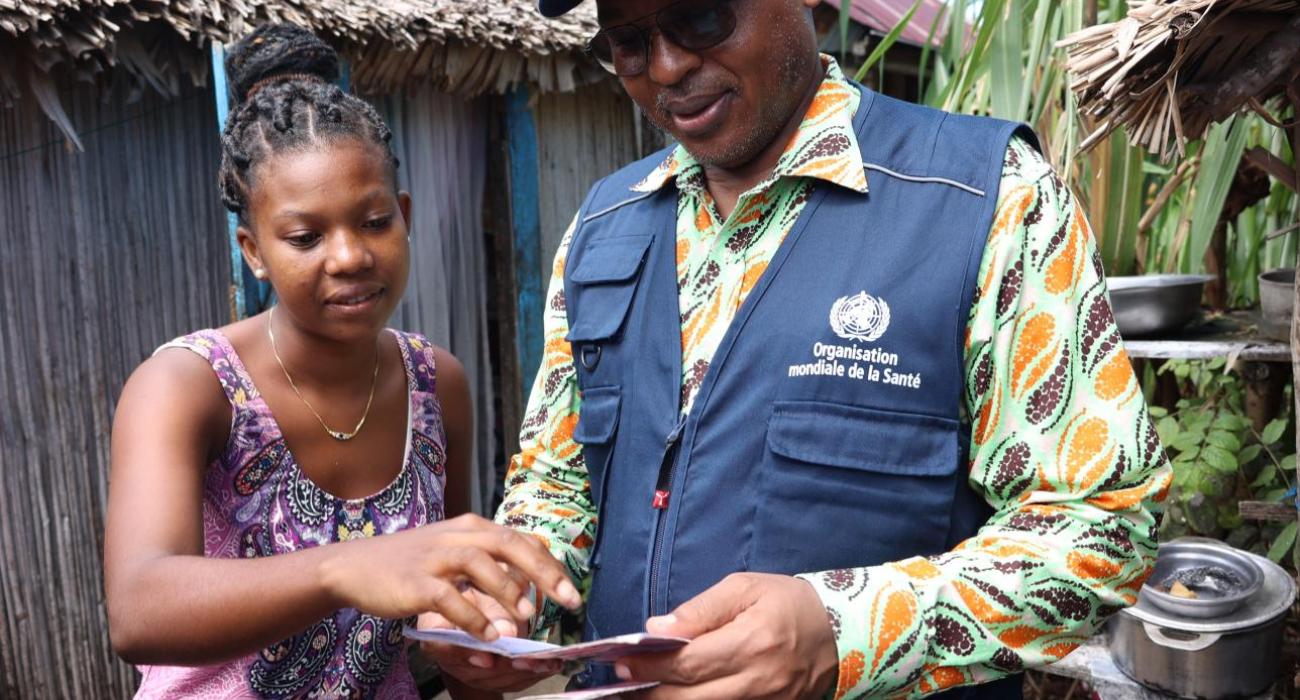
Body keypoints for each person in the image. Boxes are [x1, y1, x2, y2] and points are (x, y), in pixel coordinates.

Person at [429, 0, 1173, 698]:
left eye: (701, 17)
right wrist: (507, 605)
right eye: (629, 42)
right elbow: (559, 490)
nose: (664, 69)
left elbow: (1101, 521)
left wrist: (844, 633)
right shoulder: (603, 226)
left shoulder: (989, 200)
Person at [103, 23, 581, 699]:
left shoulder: (435, 385)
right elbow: (139, 608)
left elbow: (445, 613)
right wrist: (345, 567)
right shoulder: (187, 386)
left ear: (405, 216)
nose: (350, 256)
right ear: (254, 250)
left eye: (375, 221)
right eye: (305, 236)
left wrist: (481, 649)